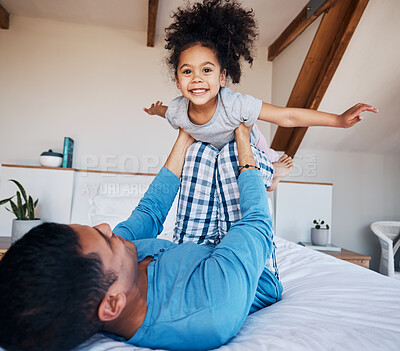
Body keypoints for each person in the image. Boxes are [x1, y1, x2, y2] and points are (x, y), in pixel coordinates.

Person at [0, 125, 282, 351]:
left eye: (97, 229)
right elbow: (256, 222)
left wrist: (185, 132)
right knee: (231, 153)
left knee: (199, 154)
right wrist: (243, 136)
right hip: (257, 273)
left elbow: (150, 210)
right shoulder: (211, 309)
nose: (107, 228)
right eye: (106, 240)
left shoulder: (114, 267)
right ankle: (272, 171)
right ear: (112, 304)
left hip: (199, 250)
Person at [144, 0, 378, 192]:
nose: (196, 78)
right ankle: (271, 179)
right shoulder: (178, 111)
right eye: (187, 71)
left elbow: (286, 117)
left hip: (254, 146)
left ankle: (272, 170)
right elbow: (166, 112)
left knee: (248, 156)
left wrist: (338, 120)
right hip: (220, 157)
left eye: (206, 70)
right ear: (177, 81)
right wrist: (156, 110)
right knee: (207, 159)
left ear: (222, 77)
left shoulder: (234, 105)